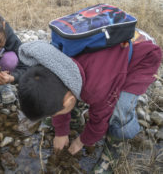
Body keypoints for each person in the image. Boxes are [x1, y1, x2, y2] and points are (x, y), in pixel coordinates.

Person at [17, 29, 161, 172]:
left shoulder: (96, 89)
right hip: (114, 40)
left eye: (53, 114)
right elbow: (59, 93)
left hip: (143, 53)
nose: (53, 116)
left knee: (118, 109)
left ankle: (118, 140)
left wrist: (81, 141)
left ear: (70, 101)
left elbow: (99, 121)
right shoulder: (50, 62)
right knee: (66, 96)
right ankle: (72, 116)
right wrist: (61, 131)